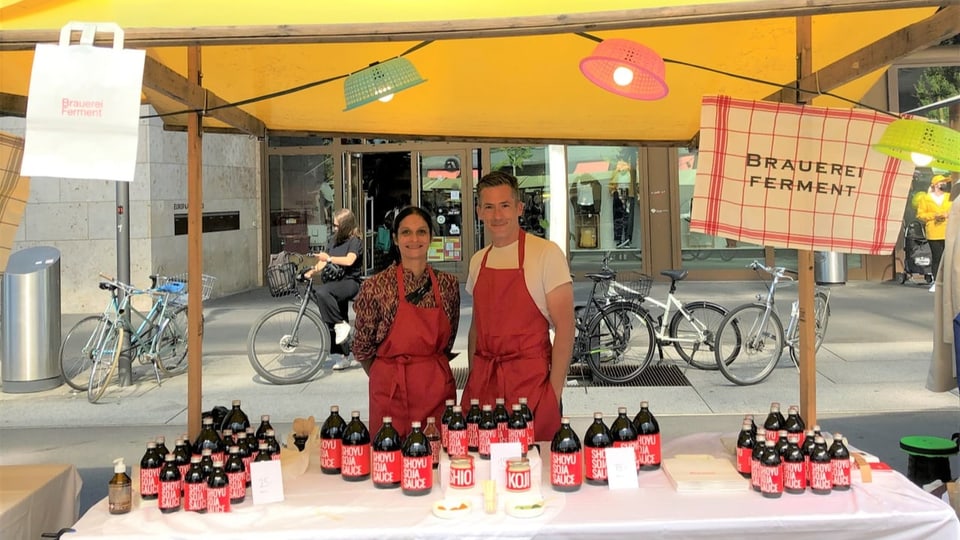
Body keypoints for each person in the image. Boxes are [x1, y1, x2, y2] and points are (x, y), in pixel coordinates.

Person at [460, 171, 575, 442]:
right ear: (479, 212)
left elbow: (566, 329)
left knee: (536, 473)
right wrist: (474, 378)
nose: (497, 215)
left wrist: (553, 394)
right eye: (489, 207)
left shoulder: (547, 254)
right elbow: (477, 328)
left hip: (531, 387)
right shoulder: (478, 261)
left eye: (504, 206)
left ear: (519, 208)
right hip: (485, 386)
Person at [351, 206, 460, 437]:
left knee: (437, 460)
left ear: (431, 237)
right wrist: (386, 375)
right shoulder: (376, 286)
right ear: (395, 238)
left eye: (421, 232)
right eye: (406, 232)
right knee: (390, 460)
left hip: (436, 391)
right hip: (391, 393)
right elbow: (362, 347)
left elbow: (447, 342)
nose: (414, 239)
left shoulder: (448, 285)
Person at [305, 208, 363, 369]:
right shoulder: (333, 240)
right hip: (335, 281)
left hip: (349, 282)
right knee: (333, 317)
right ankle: (343, 355)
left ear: (345, 225)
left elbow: (349, 260)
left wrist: (329, 258)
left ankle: (341, 325)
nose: (334, 228)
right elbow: (324, 261)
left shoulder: (355, 241)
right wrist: (311, 272)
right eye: (334, 225)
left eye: (337, 225)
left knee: (323, 293)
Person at [917, 174, 952, 293]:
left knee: (949, 257)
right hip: (934, 231)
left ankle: (949, 281)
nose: (944, 184)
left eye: (945, 182)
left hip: (948, 230)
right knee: (937, 257)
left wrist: (947, 214)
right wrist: (934, 216)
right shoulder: (926, 198)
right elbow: (920, 215)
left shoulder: (949, 197)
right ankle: (937, 282)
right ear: (935, 185)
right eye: (941, 182)